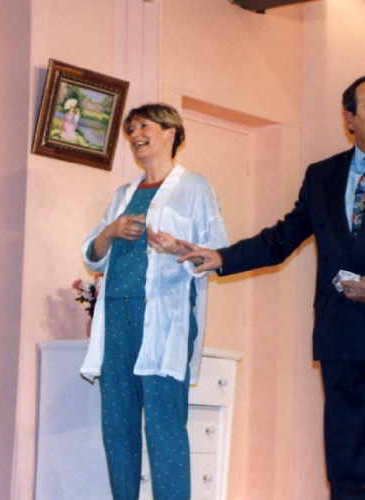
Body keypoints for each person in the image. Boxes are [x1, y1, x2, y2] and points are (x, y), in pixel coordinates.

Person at [180, 74, 365, 499]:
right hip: (340, 325)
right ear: (350, 118)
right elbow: (283, 237)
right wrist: (222, 257)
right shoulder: (322, 174)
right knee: (346, 451)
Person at [79, 103, 229, 499]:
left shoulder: (195, 187)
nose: (135, 135)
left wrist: (176, 247)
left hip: (164, 318)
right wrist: (110, 231)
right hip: (116, 316)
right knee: (118, 424)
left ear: (170, 132)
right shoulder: (124, 195)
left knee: (164, 425)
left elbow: (218, 253)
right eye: (130, 130)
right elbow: (92, 256)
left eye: (143, 126)